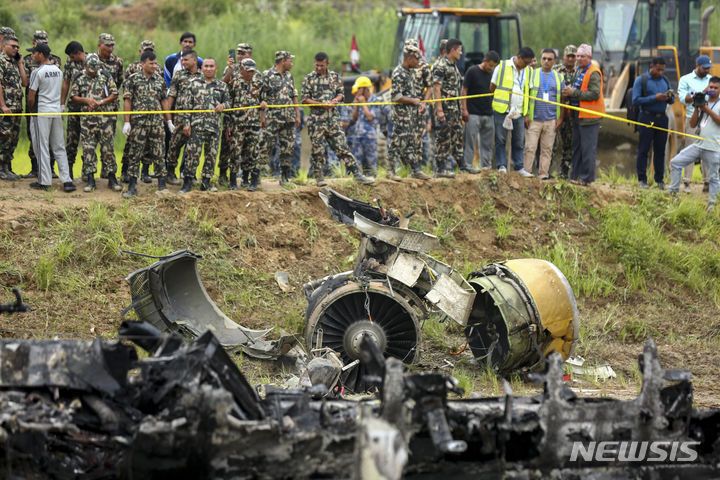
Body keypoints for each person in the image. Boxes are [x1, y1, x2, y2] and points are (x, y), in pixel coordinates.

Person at [301, 52, 373, 186]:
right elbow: (304, 99)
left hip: (333, 120)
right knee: (318, 150)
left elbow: (341, 94)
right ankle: (319, 178)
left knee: (342, 147)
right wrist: (321, 104)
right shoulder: (309, 78)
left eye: (321, 65)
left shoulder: (335, 77)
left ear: (327, 64)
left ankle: (357, 174)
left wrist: (335, 100)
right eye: (316, 65)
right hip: (317, 120)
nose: (319, 68)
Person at [26, 43, 75, 192]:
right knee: (59, 146)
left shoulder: (37, 72)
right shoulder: (58, 70)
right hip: (55, 111)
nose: (32, 56)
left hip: (41, 112)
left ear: (41, 54)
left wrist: (31, 111)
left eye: (34, 53)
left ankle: (45, 181)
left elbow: (31, 96)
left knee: (41, 147)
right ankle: (67, 180)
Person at [122, 51, 171, 197]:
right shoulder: (133, 79)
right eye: (151, 63)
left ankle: (162, 184)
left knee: (159, 152)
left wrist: (168, 120)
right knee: (135, 153)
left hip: (156, 122)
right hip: (139, 123)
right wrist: (127, 122)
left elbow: (164, 101)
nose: (155, 66)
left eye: (156, 63)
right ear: (143, 64)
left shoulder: (159, 80)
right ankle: (132, 185)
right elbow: (127, 101)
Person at [69, 54, 120, 193]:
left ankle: (112, 178)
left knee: (108, 149)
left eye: (95, 69)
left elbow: (114, 93)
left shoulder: (105, 75)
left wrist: (101, 102)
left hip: (104, 119)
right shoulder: (79, 77)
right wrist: (86, 100)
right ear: (85, 66)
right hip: (87, 120)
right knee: (88, 148)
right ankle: (90, 179)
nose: (93, 72)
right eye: (90, 69)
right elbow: (73, 96)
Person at [668, 76, 720, 211]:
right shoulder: (704, 102)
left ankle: (712, 204)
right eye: (711, 87)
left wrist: (706, 109)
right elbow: (692, 124)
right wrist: (697, 107)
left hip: (713, 147)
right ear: (707, 88)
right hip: (698, 145)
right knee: (675, 162)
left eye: (716, 88)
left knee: (713, 177)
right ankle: (673, 192)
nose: (713, 90)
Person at [180, 57, 229, 194]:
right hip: (196, 126)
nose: (208, 68)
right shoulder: (193, 84)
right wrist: (186, 123)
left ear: (216, 68)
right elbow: (186, 106)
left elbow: (229, 103)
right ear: (202, 68)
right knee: (192, 155)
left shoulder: (222, 86)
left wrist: (223, 105)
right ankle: (187, 183)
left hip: (214, 127)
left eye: (211, 66)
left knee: (211, 156)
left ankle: (206, 183)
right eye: (206, 66)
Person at [562, 43, 604, 186]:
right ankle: (575, 176)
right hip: (578, 115)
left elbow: (594, 94)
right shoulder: (579, 71)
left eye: (582, 56)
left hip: (590, 117)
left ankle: (587, 178)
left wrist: (574, 93)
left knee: (588, 149)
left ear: (590, 57)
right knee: (577, 148)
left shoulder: (593, 72)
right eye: (578, 56)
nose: (579, 59)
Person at [120, 40, 161, 184]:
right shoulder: (132, 69)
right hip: (138, 116)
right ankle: (126, 172)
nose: (148, 52)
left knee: (151, 147)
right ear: (140, 52)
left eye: (151, 50)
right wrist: (127, 121)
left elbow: (161, 94)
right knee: (133, 146)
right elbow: (128, 93)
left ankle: (145, 171)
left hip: (153, 118)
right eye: (145, 50)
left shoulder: (158, 70)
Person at [23, 31, 62, 179]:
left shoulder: (56, 60)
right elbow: (26, 82)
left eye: (45, 42)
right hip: (33, 102)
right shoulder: (27, 60)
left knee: (51, 137)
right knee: (33, 136)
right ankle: (35, 168)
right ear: (34, 43)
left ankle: (50, 169)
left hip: (49, 103)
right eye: (40, 42)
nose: (42, 44)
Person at [259, 51, 300, 186]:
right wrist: (262, 116)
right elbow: (261, 98)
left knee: (287, 148)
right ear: (283, 61)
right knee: (265, 147)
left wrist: (297, 114)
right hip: (272, 118)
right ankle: (256, 177)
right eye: (290, 61)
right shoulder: (267, 75)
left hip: (288, 118)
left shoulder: (289, 76)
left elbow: (294, 96)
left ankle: (285, 177)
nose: (292, 64)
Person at [490, 47, 535, 172]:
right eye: (525, 62)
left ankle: (519, 167)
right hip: (502, 110)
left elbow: (528, 91)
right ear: (519, 57)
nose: (526, 66)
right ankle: (502, 166)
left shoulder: (529, 71)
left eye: (528, 63)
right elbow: (492, 86)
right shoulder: (502, 67)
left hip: (519, 111)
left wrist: (526, 114)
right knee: (500, 139)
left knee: (518, 141)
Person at [632, 56, 674, 189]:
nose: (661, 72)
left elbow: (672, 100)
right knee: (644, 149)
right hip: (646, 117)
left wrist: (669, 97)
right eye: (658, 69)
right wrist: (654, 98)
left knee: (660, 150)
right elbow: (636, 100)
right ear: (651, 67)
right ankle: (642, 179)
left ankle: (659, 180)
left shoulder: (665, 80)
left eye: (662, 70)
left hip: (662, 118)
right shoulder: (641, 80)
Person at [389, 41, 430, 180]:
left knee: (412, 142)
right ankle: (390, 170)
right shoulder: (398, 73)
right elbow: (396, 96)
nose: (419, 61)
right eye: (417, 58)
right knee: (397, 142)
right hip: (401, 115)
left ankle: (415, 170)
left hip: (411, 115)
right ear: (409, 58)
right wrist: (413, 100)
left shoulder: (410, 72)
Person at [523, 48, 563, 179]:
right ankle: (527, 173)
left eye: (549, 59)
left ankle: (543, 174)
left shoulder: (558, 77)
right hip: (534, 119)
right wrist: (525, 115)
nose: (546, 61)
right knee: (530, 148)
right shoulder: (532, 74)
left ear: (554, 61)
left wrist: (560, 118)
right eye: (544, 58)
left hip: (551, 120)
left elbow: (562, 99)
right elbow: (525, 95)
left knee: (547, 150)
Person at [433, 38, 470, 176]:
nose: (461, 53)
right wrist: (439, 110)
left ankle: (462, 165)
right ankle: (440, 168)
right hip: (446, 109)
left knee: (457, 136)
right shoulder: (440, 66)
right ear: (452, 50)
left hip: (455, 110)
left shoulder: (453, 65)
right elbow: (436, 88)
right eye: (459, 50)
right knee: (444, 138)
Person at [165, 50, 204, 184]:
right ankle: (170, 173)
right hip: (180, 117)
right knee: (174, 146)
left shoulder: (203, 75)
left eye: (186, 60)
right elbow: (172, 95)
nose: (183, 62)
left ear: (194, 60)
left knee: (194, 148)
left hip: (197, 119)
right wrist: (168, 116)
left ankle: (190, 175)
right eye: (182, 60)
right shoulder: (179, 75)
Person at [219, 43, 253, 186]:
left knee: (245, 147)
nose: (240, 56)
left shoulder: (252, 70)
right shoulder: (230, 69)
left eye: (243, 53)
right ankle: (222, 174)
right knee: (227, 145)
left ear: (249, 55)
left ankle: (245, 176)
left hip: (247, 117)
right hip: (230, 116)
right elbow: (222, 85)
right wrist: (230, 70)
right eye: (238, 53)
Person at [678, 55, 712, 193]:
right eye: (705, 68)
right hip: (692, 118)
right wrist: (697, 95)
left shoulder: (711, 80)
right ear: (697, 65)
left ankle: (707, 182)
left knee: (707, 149)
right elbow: (682, 99)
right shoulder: (686, 79)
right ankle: (687, 182)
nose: (707, 70)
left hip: (708, 118)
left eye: (709, 68)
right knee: (690, 149)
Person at [227, 58, 263, 191]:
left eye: (252, 71)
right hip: (238, 122)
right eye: (248, 71)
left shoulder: (258, 81)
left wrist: (263, 104)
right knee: (235, 151)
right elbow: (228, 101)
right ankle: (232, 180)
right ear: (241, 69)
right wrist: (228, 123)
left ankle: (250, 179)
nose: (250, 74)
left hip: (253, 122)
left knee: (252, 151)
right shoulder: (234, 82)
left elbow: (264, 98)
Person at [462, 50, 499, 170]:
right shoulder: (472, 71)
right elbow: (464, 90)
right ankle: (468, 165)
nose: (491, 68)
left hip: (488, 113)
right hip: (473, 113)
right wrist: (464, 109)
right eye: (490, 65)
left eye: (494, 66)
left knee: (487, 143)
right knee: (470, 141)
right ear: (484, 61)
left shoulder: (492, 75)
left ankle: (486, 166)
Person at [0, 34, 27, 181]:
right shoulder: (1, 61)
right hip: (6, 108)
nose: (16, 49)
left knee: (13, 138)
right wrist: (3, 105)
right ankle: (1, 168)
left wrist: (20, 63)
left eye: (17, 47)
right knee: (4, 137)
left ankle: (7, 167)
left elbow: (24, 83)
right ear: (4, 47)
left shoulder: (14, 63)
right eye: (13, 46)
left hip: (16, 107)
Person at [343, 76, 380, 177]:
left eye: (359, 88)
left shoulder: (376, 100)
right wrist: (357, 105)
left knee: (370, 165)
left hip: (370, 138)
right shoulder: (357, 101)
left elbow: (370, 117)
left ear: (365, 89)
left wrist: (364, 103)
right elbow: (353, 119)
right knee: (356, 163)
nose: (357, 91)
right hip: (357, 136)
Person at [60, 41, 85, 180]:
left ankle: (88, 173)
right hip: (74, 107)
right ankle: (68, 172)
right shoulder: (70, 64)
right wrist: (62, 104)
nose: (70, 59)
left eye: (71, 56)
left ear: (78, 53)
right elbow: (66, 83)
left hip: (89, 109)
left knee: (89, 142)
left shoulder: (94, 61)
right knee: (72, 139)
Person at [551, 45, 577, 178]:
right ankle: (546, 171)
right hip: (556, 111)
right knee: (552, 143)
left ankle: (564, 172)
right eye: (569, 56)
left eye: (573, 56)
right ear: (564, 56)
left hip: (572, 113)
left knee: (569, 144)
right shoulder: (555, 70)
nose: (571, 59)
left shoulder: (579, 71)